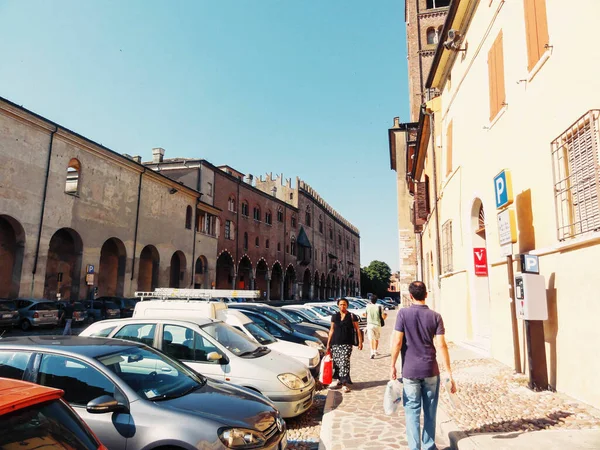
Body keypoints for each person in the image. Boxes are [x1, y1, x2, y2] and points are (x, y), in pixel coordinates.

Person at [390, 281, 456, 450]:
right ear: (426, 294)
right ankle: (429, 446)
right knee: (430, 410)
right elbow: (441, 345)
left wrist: (392, 365)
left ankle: (414, 448)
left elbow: (397, 341)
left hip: (410, 371)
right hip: (430, 370)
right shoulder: (436, 316)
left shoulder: (403, 314)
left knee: (412, 411)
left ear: (410, 296)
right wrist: (449, 372)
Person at [326, 297, 363, 393]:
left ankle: (344, 384)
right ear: (338, 305)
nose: (342, 306)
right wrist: (328, 343)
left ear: (347, 305)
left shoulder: (352, 316)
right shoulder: (334, 316)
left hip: (347, 343)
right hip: (335, 343)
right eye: (341, 304)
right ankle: (339, 381)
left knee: (344, 362)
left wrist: (360, 342)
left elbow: (357, 329)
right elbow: (332, 330)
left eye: (344, 304)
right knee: (337, 363)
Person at [366, 295, 387, 359]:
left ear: (370, 300)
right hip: (377, 324)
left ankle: (372, 352)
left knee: (371, 338)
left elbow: (366, 315)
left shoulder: (367, 306)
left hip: (370, 324)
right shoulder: (380, 307)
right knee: (376, 338)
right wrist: (386, 316)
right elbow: (383, 317)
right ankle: (375, 350)